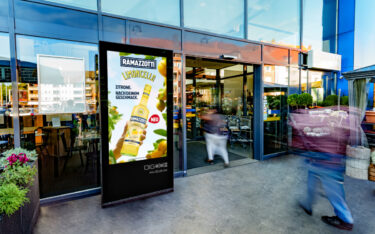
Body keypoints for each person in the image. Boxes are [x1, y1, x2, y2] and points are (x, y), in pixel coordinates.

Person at [290, 107, 354, 231]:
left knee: (334, 191)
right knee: (311, 182)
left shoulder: (319, 123)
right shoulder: (333, 122)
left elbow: (309, 139)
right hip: (320, 160)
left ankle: (346, 219)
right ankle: (308, 204)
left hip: (327, 162)